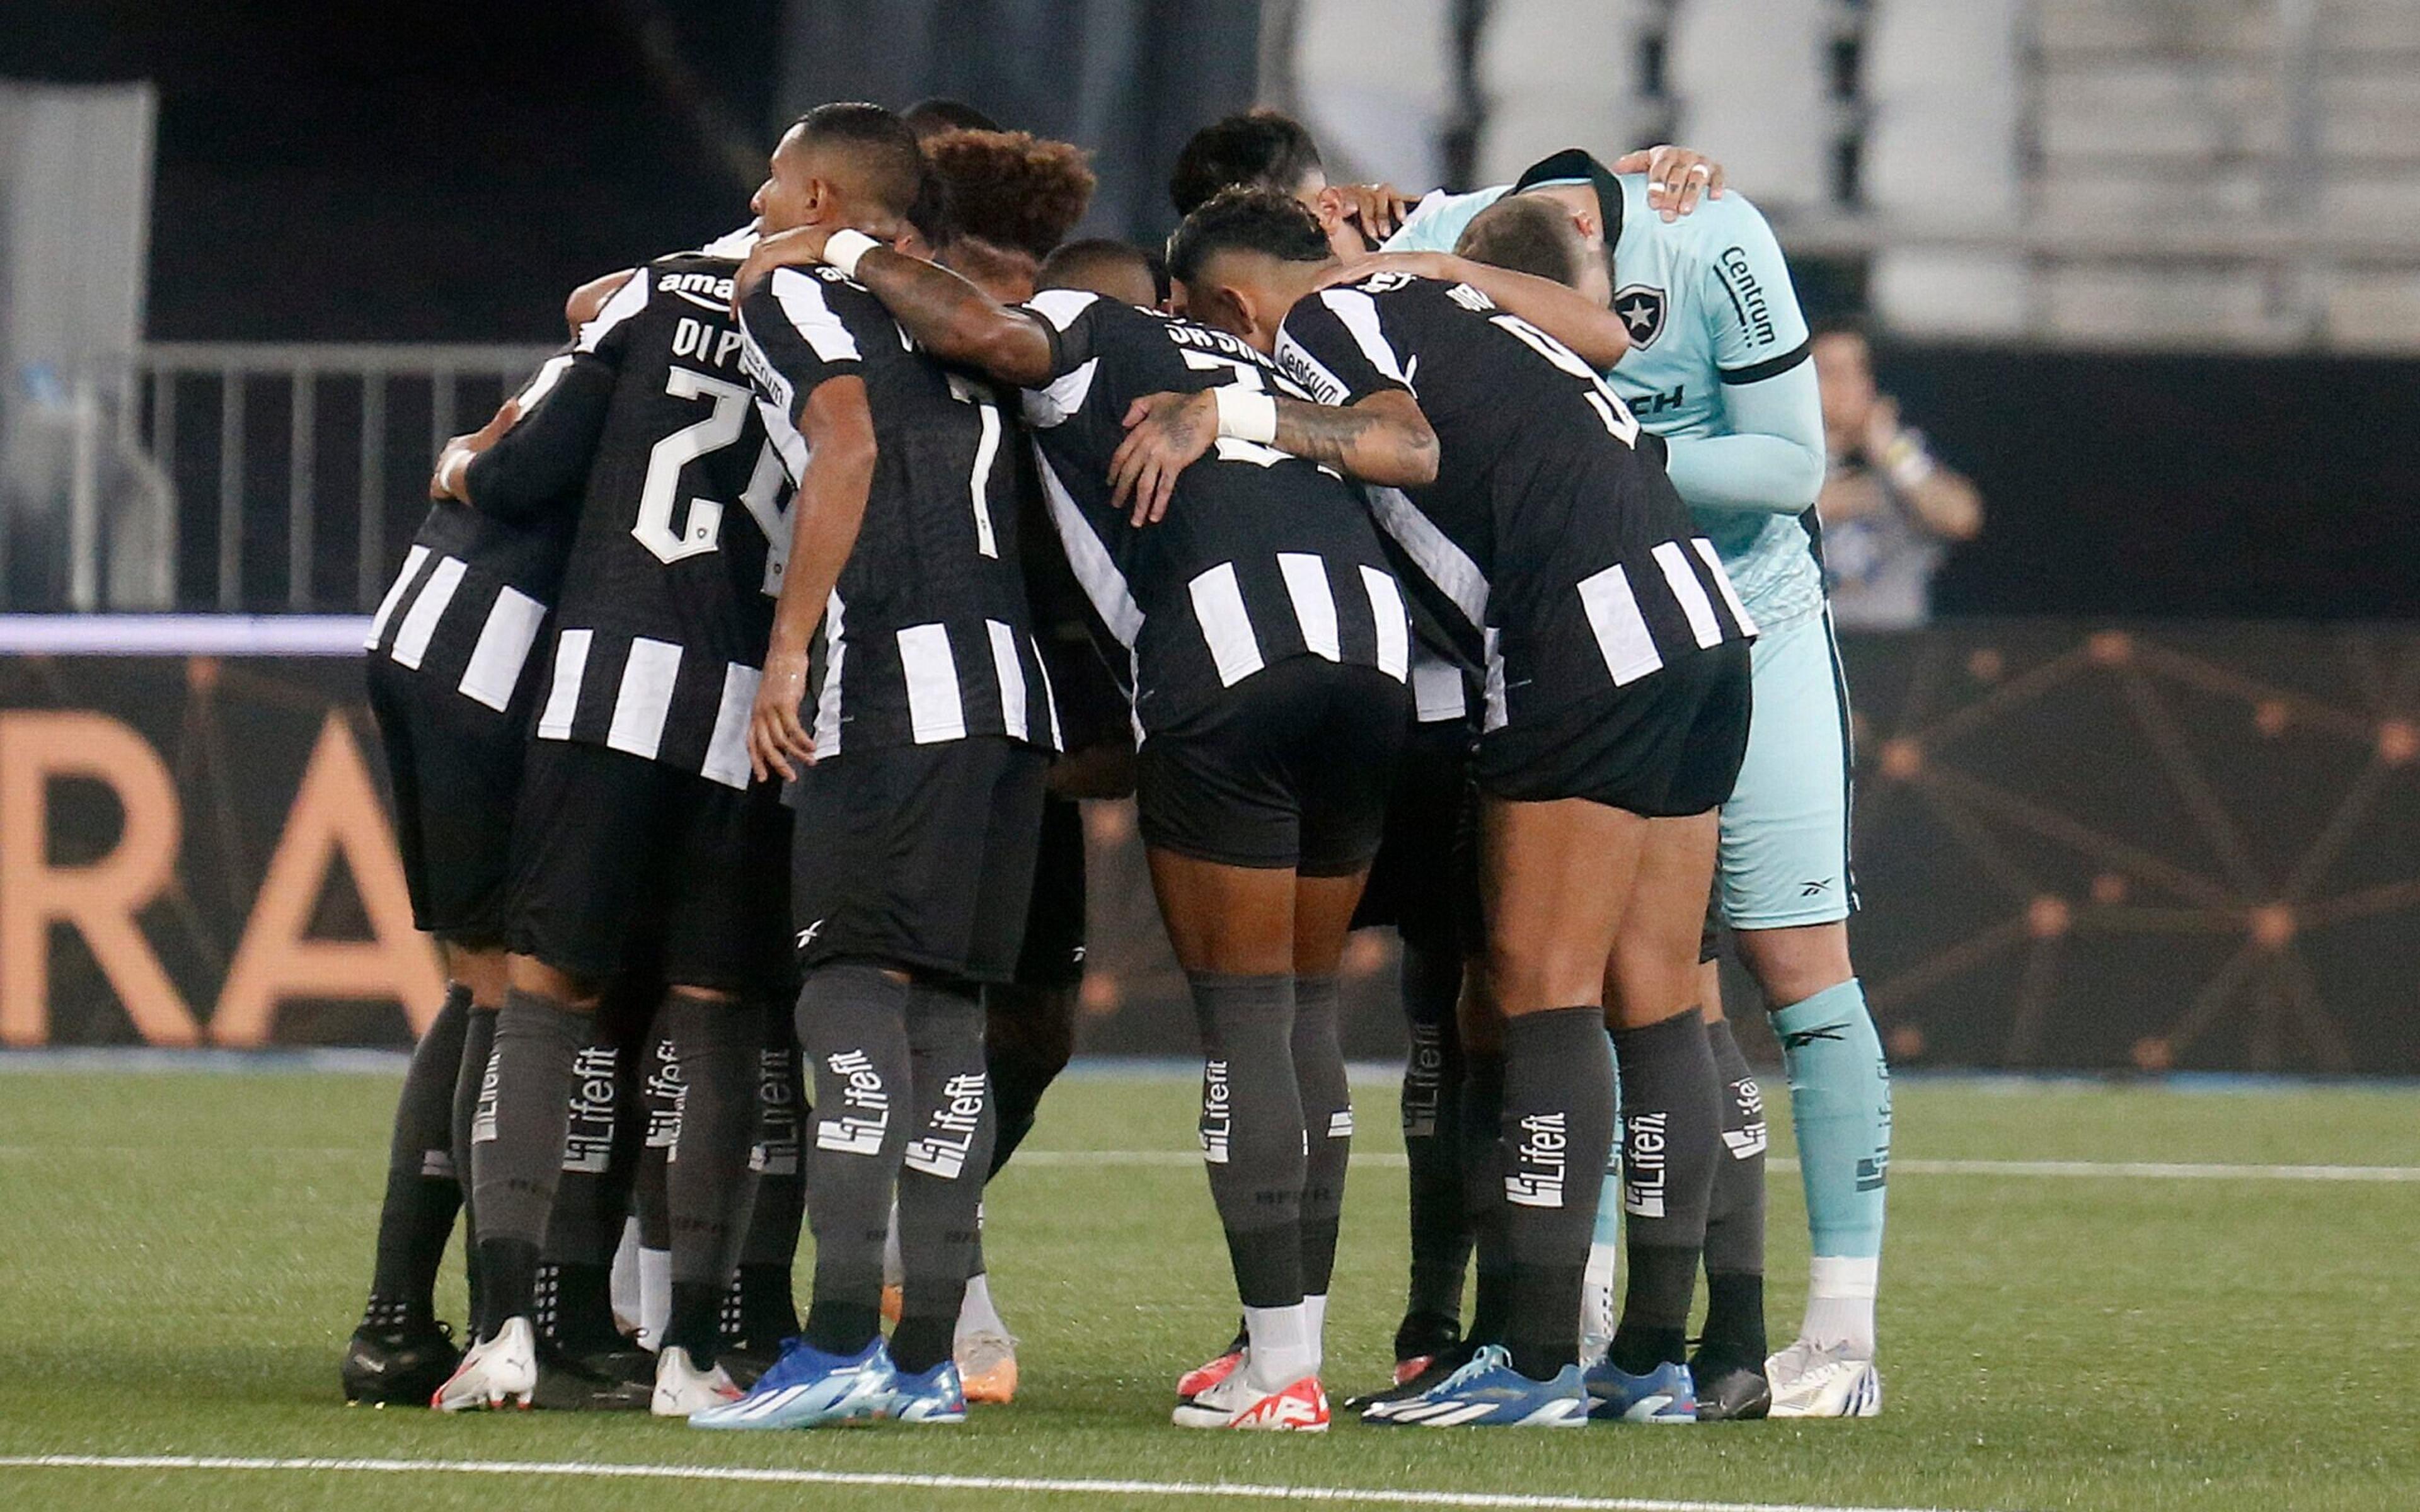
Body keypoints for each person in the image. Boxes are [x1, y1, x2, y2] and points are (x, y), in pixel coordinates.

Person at [735, 187, 1432, 1433]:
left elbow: (989, 339)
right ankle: (1286, 1350)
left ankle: (1282, 1376)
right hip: (1375, 664)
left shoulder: (1102, 328)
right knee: (1308, 1010)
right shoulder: (1272, 358)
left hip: (1228, 657)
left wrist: (845, 247)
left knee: (1245, 1019)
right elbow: (1411, 447)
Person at [1151, 189, 1753, 1427]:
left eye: (1202, 325)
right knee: (1658, 999)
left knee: (1539, 989)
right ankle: (1650, 1360)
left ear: (1226, 305)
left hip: (1583, 626)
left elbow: (1403, 446)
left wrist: (1244, 410)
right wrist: (1428, 257)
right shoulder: (1433, 294)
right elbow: (1606, 335)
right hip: (1698, 610)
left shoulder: (1317, 320)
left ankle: (1531, 1359)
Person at [1393, 149, 1892, 1420]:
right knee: (1620, 978)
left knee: (1792, 967)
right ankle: (1620, 1323)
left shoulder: (1717, 233)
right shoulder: (1450, 228)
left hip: (1748, 616)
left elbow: (1791, 468)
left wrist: (1601, 461)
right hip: (1576, 625)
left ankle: (1837, 1339)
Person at [692, 103, 1061, 1433]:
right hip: (1013, 697)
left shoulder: (796, 297)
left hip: (894, 678)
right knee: (949, 1017)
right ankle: (918, 1368)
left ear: (823, 200)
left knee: (847, 988)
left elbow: (844, 448)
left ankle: (842, 1337)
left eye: (776, 183)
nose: (759, 207)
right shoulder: (946, 310)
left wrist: (787, 654)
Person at [426, 222, 794, 1416]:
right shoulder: (876, 323)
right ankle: (690, 1352)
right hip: (750, 708)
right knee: (714, 1019)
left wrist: (464, 469)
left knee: (544, 1004)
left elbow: (540, 458)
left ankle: (507, 1334)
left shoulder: (662, 290)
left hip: (604, 682)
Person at [1811, 318, 1981, 629]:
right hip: (1815, 647)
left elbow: (1961, 518)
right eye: (1831, 373)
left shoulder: (1900, 450)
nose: (1848, 386)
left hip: (1894, 645)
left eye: (1858, 371)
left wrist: (1892, 455)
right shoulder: (1786, 457)